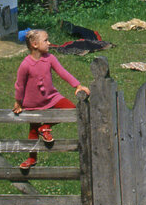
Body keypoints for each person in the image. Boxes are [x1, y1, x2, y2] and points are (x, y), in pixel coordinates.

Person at [13, 30, 89, 170]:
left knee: (71, 108)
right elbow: (20, 85)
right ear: (35, 44)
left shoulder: (50, 58)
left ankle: (46, 127)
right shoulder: (25, 64)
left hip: (51, 97)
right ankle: (32, 158)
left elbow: (62, 72)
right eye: (45, 40)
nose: (49, 43)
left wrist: (78, 85)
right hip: (33, 103)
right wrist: (18, 102)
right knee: (33, 131)